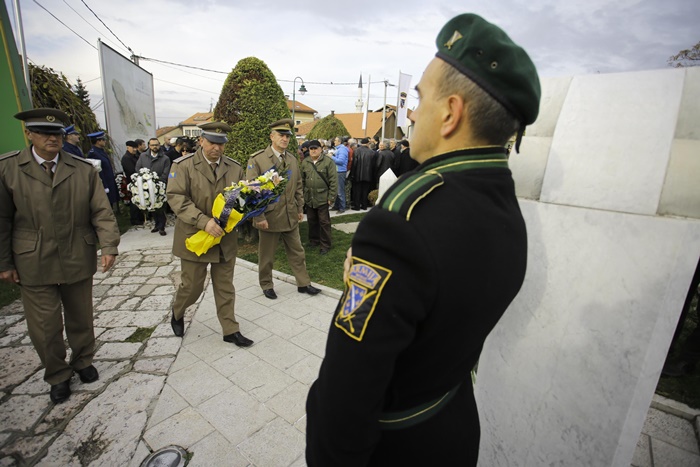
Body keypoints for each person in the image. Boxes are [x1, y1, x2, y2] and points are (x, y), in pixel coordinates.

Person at [306, 13, 541, 466]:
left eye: (419, 99)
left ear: (451, 113)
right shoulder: (504, 205)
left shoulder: (403, 221)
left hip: (396, 447)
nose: (412, 113)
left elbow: (346, 391)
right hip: (449, 426)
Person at [0, 108, 120, 404]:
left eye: (56, 133)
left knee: (81, 317)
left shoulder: (82, 169)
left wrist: (109, 246)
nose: (51, 138)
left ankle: (82, 361)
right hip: (33, 259)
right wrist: (4, 263)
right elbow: (2, 219)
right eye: (43, 132)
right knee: (45, 326)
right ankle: (57, 374)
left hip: (76, 254)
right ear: (28, 134)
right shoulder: (9, 169)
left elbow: (101, 211)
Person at [166, 121, 253, 347]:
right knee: (191, 287)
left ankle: (230, 329)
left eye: (221, 143)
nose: (217, 148)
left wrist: (250, 202)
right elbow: (176, 198)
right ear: (201, 140)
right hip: (195, 237)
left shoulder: (234, 167)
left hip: (224, 239)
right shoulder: (183, 166)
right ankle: (178, 311)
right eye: (212, 142)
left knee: (225, 286)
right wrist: (203, 221)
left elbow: (239, 198)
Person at [246, 118, 321, 300]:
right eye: (281, 135)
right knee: (267, 255)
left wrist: (299, 207)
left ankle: (303, 283)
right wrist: (259, 217)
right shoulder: (258, 160)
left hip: (290, 215)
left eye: (287, 136)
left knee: (297, 251)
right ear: (272, 136)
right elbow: (252, 191)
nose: (285, 139)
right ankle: (266, 284)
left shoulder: (292, 159)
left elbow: (298, 186)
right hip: (269, 217)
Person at [301, 140, 338, 255]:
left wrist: (331, 197)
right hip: (310, 197)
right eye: (311, 149)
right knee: (311, 220)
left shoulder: (328, 162)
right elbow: (302, 180)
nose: (313, 151)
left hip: (323, 197)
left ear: (321, 149)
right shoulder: (305, 162)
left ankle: (325, 244)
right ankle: (314, 240)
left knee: (324, 222)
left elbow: (333, 181)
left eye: (315, 148)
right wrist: (302, 195)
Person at [135, 138, 171, 235]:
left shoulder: (165, 158)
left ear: (159, 145)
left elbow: (166, 172)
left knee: (161, 206)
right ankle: (156, 225)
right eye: (152, 145)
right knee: (152, 206)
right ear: (149, 146)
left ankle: (162, 226)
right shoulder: (143, 156)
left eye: (156, 145)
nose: (155, 147)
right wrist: (144, 179)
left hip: (160, 185)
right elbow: (138, 168)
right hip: (147, 184)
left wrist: (158, 181)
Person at [87, 131, 120, 209]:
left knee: (110, 205)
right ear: (98, 141)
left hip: (109, 181)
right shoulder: (93, 153)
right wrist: (104, 186)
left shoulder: (100, 151)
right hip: (104, 184)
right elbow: (98, 171)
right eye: (103, 139)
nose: (105, 141)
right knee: (106, 206)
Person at [121, 140, 144, 226]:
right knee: (134, 201)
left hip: (139, 182)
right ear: (128, 148)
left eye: (135, 148)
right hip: (132, 182)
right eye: (133, 148)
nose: (135, 149)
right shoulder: (126, 158)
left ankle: (140, 217)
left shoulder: (136, 156)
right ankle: (135, 219)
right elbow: (131, 170)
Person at [349, 137, 375, 210]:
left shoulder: (356, 151)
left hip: (358, 175)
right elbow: (373, 165)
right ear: (367, 143)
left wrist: (352, 174)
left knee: (357, 191)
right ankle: (364, 205)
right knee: (365, 191)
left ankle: (357, 206)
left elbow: (354, 164)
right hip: (368, 175)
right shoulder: (372, 152)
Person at [328, 136, 348, 213]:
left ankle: (342, 208)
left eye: (335, 140)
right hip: (337, 171)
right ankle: (336, 206)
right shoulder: (338, 149)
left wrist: (331, 157)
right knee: (336, 190)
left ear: (339, 142)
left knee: (340, 190)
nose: (334, 142)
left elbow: (341, 161)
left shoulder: (342, 150)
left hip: (340, 171)